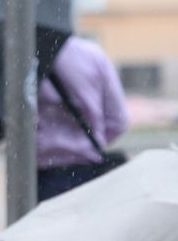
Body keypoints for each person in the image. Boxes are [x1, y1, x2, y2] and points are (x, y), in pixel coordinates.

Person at [37, 35, 130, 202]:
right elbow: (118, 121)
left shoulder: (19, 59)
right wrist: (88, 140)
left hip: (39, 177)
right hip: (89, 172)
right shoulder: (91, 54)